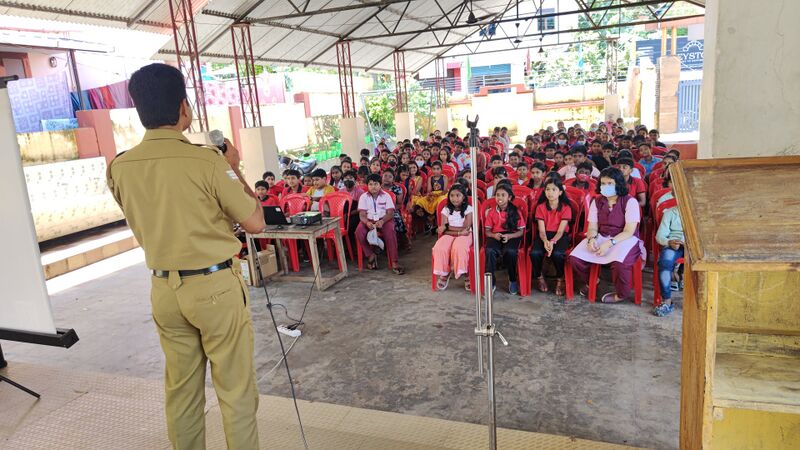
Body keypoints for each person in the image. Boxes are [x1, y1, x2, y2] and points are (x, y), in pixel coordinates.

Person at [106, 63, 263, 449]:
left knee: (181, 393)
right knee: (236, 392)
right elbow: (255, 221)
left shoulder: (120, 167)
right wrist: (233, 167)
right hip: (215, 288)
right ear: (184, 108)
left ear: (139, 110)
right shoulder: (207, 161)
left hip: (164, 289)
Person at [568, 167, 645, 303]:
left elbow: (629, 230)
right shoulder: (597, 202)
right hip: (602, 235)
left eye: (610, 183)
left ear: (619, 184)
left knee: (619, 264)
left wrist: (610, 243)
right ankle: (593, 280)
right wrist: (591, 238)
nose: (605, 187)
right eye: (603, 183)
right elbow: (592, 226)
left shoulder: (629, 201)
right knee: (575, 259)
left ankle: (621, 294)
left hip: (624, 238)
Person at [530, 178, 573, 296]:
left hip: (560, 236)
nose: (550, 192)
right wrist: (545, 241)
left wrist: (552, 241)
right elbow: (542, 230)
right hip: (544, 234)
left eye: (554, 189)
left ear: (560, 192)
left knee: (558, 254)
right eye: (547, 189)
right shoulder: (540, 207)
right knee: (535, 253)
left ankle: (560, 278)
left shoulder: (566, 208)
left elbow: (561, 231)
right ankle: (539, 277)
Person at [356, 174, 404, 274]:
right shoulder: (363, 197)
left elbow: (390, 213)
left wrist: (382, 221)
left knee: (390, 233)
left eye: (376, 184)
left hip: (384, 220)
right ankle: (370, 255)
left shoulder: (387, 196)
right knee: (358, 232)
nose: (373, 186)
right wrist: (367, 222)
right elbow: (362, 215)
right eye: (371, 184)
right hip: (369, 220)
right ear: (367, 185)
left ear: (380, 184)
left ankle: (394, 262)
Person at [484, 182, 525, 294]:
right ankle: (491, 280)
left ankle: (512, 279)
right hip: (496, 235)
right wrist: (494, 235)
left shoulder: (516, 212)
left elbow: (521, 231)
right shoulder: (491, 212)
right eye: (498, 195)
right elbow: (487, 231)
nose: (500, 198)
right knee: (490, 251)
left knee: (511, 252)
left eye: (503, 195)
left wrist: (509, 236)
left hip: (511, 235)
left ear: (509, 197)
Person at [433, 184, 474, 291]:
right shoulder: (446, 209)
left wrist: (449, 228)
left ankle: (465, 273)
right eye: (452, 195)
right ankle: (444, 273)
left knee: (459, 247)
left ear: (463, 197)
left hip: (465, 235)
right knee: (440, 247)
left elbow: (467, 227)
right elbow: (445, 229)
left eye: (458, 195)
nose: (454, 198)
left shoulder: (469, 209)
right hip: (451, 234)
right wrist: (458, 232)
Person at [654, 181, 684, 317]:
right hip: (675, 244)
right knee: (665, 262)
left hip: (693, 245)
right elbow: (659, 236)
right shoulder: (670, 213)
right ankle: (667, 300)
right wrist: (669, 242)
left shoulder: (699, 215)